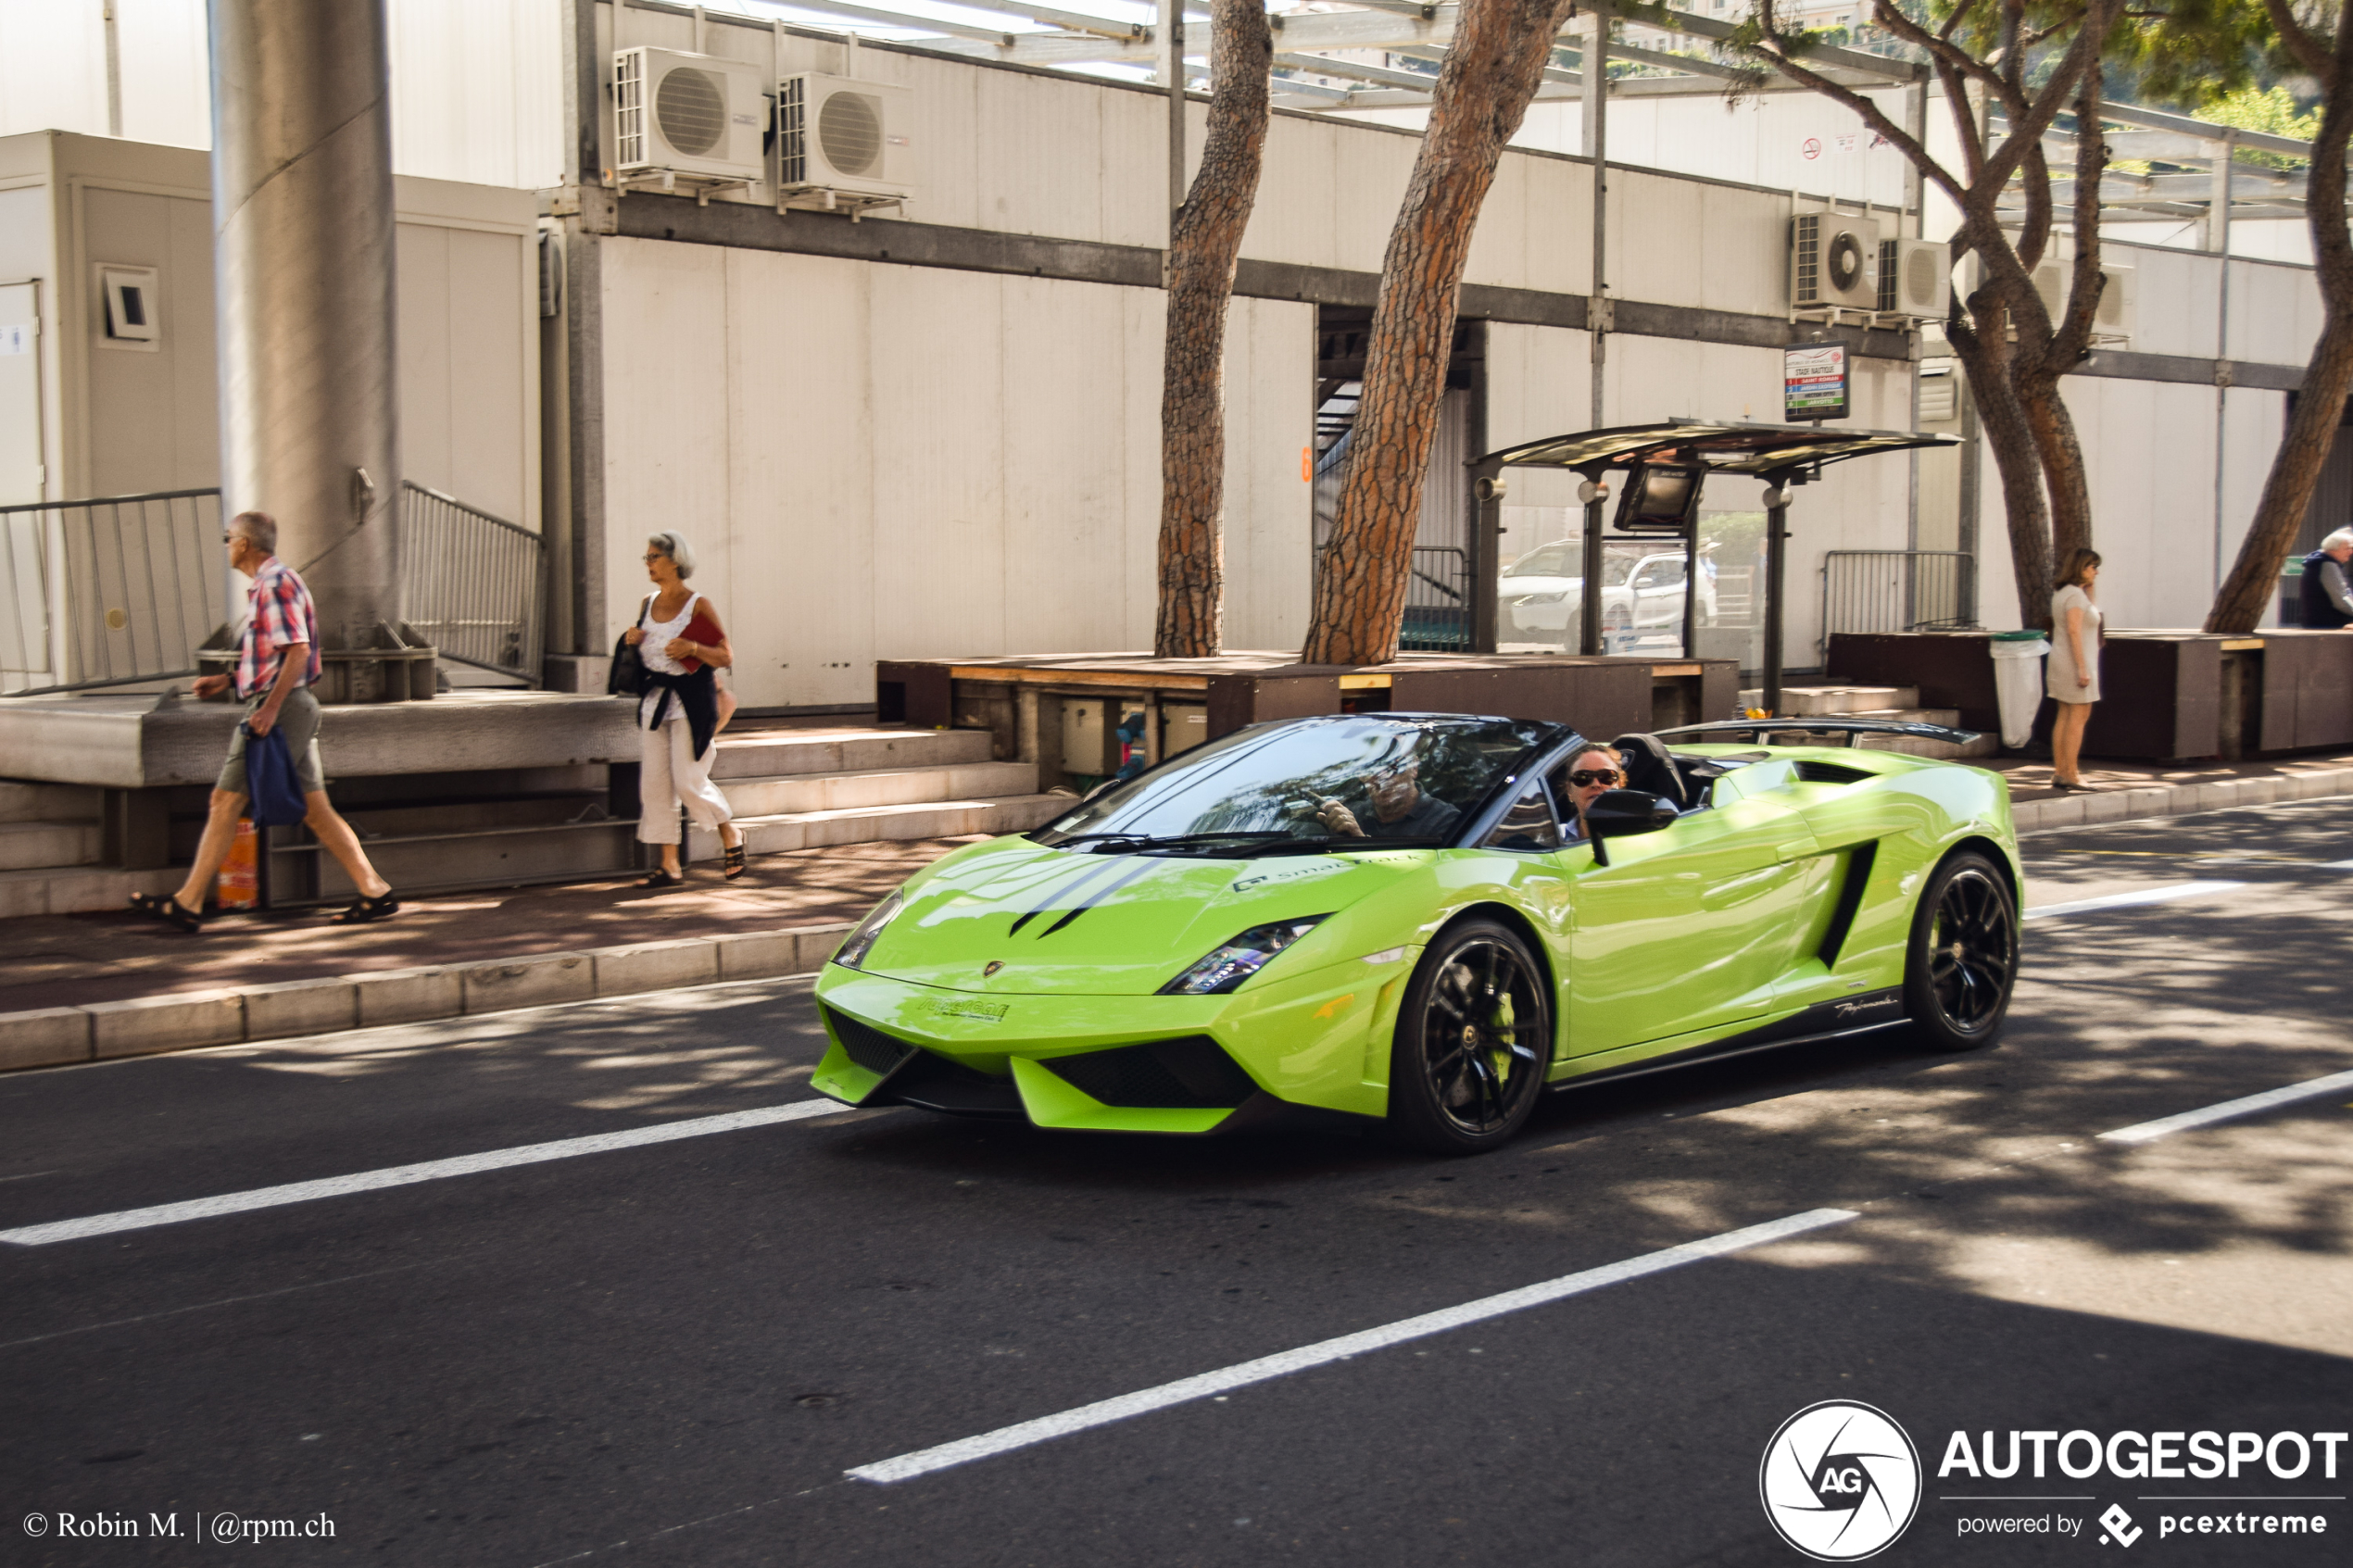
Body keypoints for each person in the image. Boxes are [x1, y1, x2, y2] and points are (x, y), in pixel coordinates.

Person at [130, 510, 397, 931]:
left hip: (282, 708)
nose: (226, 546)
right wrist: (228, 680)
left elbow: (297, 651)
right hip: (288, 703)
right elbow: (276, 658)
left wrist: (268, 709)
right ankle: (375, 891)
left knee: (225, 801)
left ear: (243, 545)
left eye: (228, 538)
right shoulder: (271, 585)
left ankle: (188, 901)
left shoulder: (274, 584)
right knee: (317, 810)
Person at [623, 532, 748, 886]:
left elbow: (725, 656)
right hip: (654, 703)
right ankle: (669, 865)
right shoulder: (648, 603)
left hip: (691, 703)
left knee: (688, 780)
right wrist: (635, 640)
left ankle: (730, 832)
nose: (648, 563)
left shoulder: (698, 604)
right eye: (646, 557)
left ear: (675, 561)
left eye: (653, 557)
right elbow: (652, 653)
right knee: (655, 785)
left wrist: (693, 646)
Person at [2048, 548, 2104, 793]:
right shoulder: (2075, 597)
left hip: (2062, 660)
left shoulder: (2066, 593)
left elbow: (2089, 615)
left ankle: (2061, 771)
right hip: (2075, 662)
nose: (2096, 572)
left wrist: (2090, 588)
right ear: (2081, 568)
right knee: (2079, 716)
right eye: (2092, 567)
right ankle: (2071, 772)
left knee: (2065, 714)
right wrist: (2082, 668)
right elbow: (2074, 630)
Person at [1313, 757, 1462, 841]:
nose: (1380, 778)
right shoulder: (1353, 813)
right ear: (1361, 776)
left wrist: (1359, 838)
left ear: (1414, 768)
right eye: (1371, 769)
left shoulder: (1447, 821)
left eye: (1392, 767)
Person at [1555, 746, 1625, 841]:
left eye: (1606, 776)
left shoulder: (1640, 837)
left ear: (1620, 785)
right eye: (1582, 778)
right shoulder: (1551, 840)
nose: (1595, 784)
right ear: (1569, 791)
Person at [2300, 529, 2353, 628]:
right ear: (2333, 549)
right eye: (2347, 548)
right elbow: (2341, 601)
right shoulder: (2328, 565)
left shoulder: (2318, 563)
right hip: (2329, 624)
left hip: (2321, 622)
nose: (2351, 552)